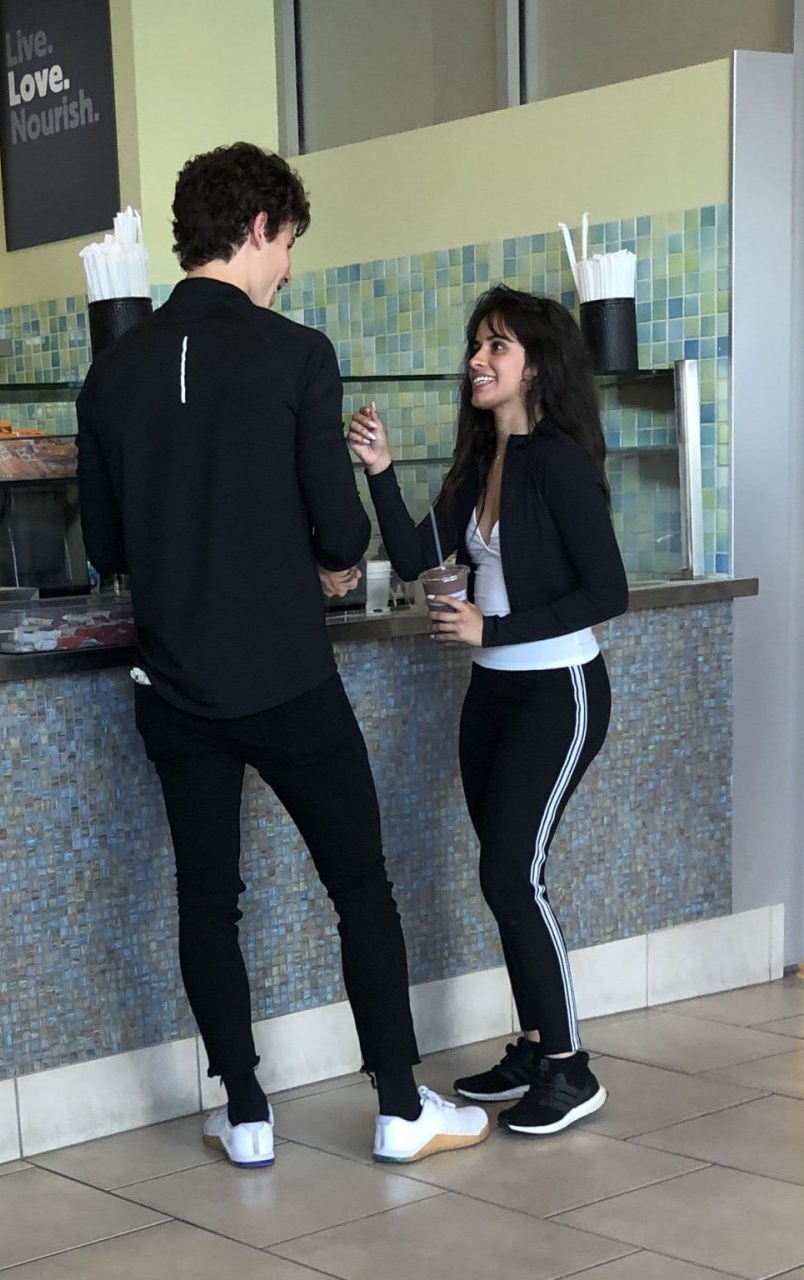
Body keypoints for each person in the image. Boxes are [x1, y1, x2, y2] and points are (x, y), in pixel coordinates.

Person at [75, 142, 488, 1169]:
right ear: (258, 226)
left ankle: (248, 1112)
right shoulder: (296, 353)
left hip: (176, 687)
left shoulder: (112, 371)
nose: (288, 268)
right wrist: (314, 556)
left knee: (207, 900)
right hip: (289, 677)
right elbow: (344, 535)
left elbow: (107, 546)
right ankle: (398, 1105)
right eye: (288, 243)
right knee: (359, 884)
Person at [348, 284, 628, 1136]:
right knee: (502, 876)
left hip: (558, 691)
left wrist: (490, 625)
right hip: (493, 692)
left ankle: (570, 1068)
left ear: (534, 367)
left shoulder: (559, 462)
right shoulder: (480, 462)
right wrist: (381, 470)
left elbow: (606, 592)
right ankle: (536, 1046)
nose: (477, 359)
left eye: (496, 346)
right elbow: (411, 558)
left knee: (511, 874)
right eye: (476, 344)